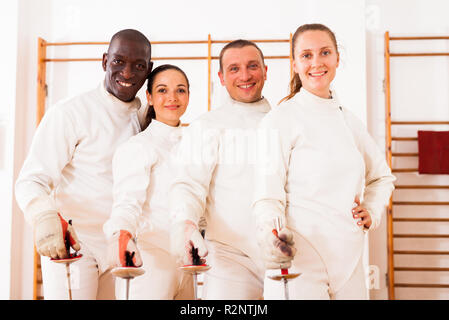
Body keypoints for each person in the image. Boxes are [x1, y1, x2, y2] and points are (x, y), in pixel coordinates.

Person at [253, 23, 395, 300]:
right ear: (294, 64)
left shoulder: (349, 121)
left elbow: (382, 177)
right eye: (306, 55)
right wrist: (273, 237)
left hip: (350, 259)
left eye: (324, 53)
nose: (316, 62)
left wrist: (372, 210)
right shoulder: (280, 119)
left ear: (337, 59)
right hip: (299, 259)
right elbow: (266, 195)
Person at [15, 29, 153, 300]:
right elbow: (32, 180)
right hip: (76, 246)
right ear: (104, 62)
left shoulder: (145, 119)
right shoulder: (70, 113)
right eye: (118, 61)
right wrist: (43, 216)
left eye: (138, 65)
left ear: (148, 71)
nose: (127, 73)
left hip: (121, 245)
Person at [169, 40, 271, 299]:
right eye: (234, 69)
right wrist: (187, 223)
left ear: (265, 70)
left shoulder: (284, 122)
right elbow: (188, 184)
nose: (245, 75)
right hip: (230, 256)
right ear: (222, 78)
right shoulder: (207, 126)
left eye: (252, 66)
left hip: (282, 254)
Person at [103, 64, 194, 299]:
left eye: (180, 90)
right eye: (163, 90)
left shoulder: (195, 145)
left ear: (188, 96)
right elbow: (126, 203)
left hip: (186, 261)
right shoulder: (138, 147)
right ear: (150, 97)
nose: (172, 97)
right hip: (150, 262)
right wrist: (120, 234)